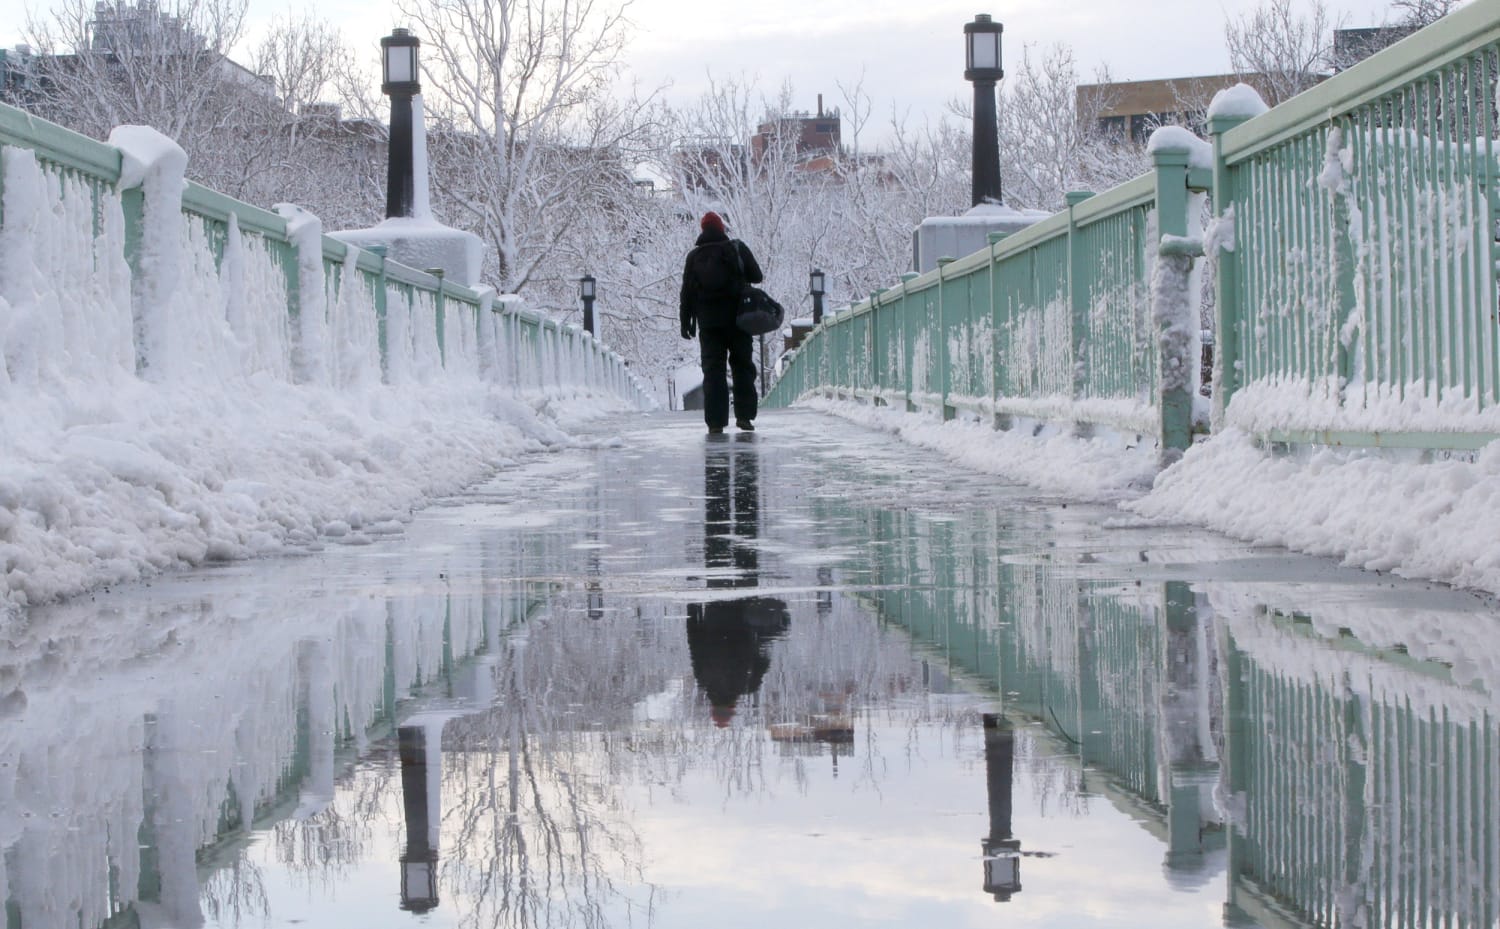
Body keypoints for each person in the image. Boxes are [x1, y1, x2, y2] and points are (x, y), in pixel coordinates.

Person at [680, 211, 764, 435]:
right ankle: (745, 417)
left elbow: (686, 293)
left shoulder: (694, 256)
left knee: (713, 371)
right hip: (738, 321)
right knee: (742, 366)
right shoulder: (736, 248)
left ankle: (715, 423)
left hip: (708, 324)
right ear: (722, 229)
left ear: (702, 230)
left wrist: (686, 321)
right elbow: (757, 276)